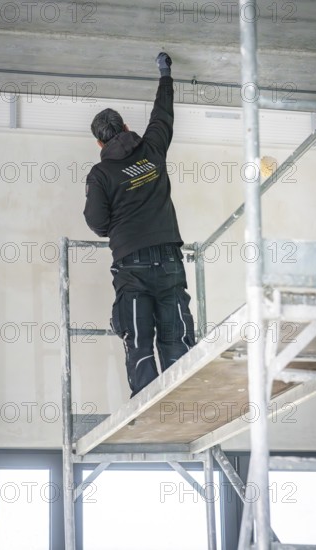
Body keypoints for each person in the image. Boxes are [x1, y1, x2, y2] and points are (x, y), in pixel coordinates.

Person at [84, 52, 195, 398]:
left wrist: (118, 226)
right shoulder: (152, 148)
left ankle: (150, 405)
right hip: (168, 258)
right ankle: (182, 400)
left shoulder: (100, 174)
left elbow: (97, 222)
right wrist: (165, 73)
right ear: (127, 128)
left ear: (100, 143)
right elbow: (163, 114)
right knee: (175, 333)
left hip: (132, 264)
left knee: (139, 334)